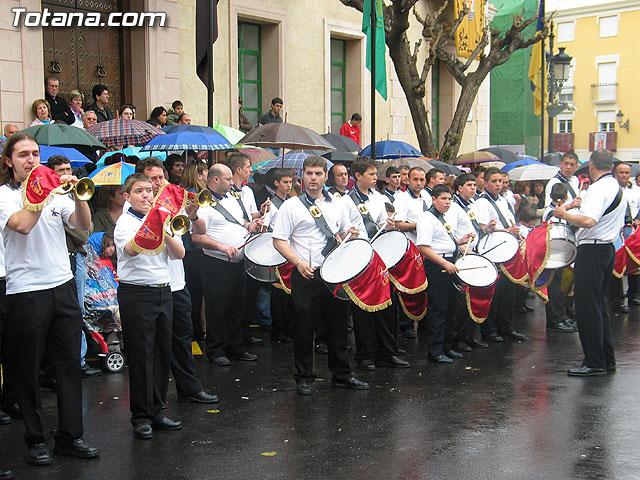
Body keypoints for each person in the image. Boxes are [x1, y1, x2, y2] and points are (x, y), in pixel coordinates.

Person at [0, 133, 98, 465]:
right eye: (23, 154)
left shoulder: (56, 192)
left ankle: (71, 437)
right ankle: (36, 439)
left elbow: (83, 227)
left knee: (69, 366)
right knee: (27, 369)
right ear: (9, 161)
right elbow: (22, 226)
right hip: (26, 289)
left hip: (63, 285)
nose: (30, 159)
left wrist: (79, 192)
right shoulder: (5, 196)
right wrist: (42, 191)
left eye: (35, 154)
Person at [272, 155, 369, 395]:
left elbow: (344, 231)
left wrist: (352, 233)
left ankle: (342, 374)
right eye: (309, 173)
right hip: (307, 274)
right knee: (305, 328)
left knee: (338, 327)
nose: (313, 178)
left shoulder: (338, 203)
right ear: (302, 176)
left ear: (326, 176)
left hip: (335, 273)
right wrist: (299, 262)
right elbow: (279, 241)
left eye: (318, 174)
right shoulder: (291, 206)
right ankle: (304, 376)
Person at [114, 172, 185, 439]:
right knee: (142, 355)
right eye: (139, 191)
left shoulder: (161, 219)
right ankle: (141, 416)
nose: (146, 195)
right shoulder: (125, 223)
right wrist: (154, 223)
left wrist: (165, 228)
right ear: (127, 197)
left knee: (161, 353)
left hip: (162, 291)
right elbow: (132, 250)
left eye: (149, 191)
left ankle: (157, 410)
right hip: (137, 293)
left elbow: (179, 254)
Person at [553, 149, 626, 376]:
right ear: (612, 167)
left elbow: (588, 220)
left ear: (591, 166)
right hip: (605, 249)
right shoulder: (616, 187)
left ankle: (594, 362)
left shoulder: (597, 188)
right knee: (599, 305)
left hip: (593, 249)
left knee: (587, 308)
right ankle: (605, 359)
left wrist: (565, 215)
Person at [191, 164, 261, 366]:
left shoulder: (233, 198)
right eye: (228, 179)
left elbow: (240, 223)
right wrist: (221, 247)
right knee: (217, 308)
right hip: (217, 262)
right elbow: (196, 236)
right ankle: (216, 350)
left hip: (238, 262)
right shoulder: (202, 204)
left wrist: (251, 226)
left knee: (237, 307)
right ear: (215, 180)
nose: (232, 183)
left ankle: (236, 348)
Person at [342, 157, 408, 370]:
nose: (375, 178)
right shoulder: (345, 201)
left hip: (381, 258)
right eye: (371, 174)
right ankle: (365, 355)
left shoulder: (378, 199)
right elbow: (342, 230)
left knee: (387, 308)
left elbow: (381, 226)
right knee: (363, 309)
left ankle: (387, 352)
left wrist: (388, 225)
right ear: (358, 176)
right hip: (360, 259)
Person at [416, 184, 475, 363]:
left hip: (449, 262)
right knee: (438, 309)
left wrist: (459, 242)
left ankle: (446, 346)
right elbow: (424, 247)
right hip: (438, 266)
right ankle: (435, 350)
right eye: (443, 198)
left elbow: (442, 242)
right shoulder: (427, 218)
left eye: (449, 199)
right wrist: (444, 263)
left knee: (451, 308)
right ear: (433, 200)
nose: (447, 202)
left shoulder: (443, 218)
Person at [473, 167, 526, 343]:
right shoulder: (481, 203)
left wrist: (516, 231)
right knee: (494, 293)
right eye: (494, 181)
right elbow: (482, 228)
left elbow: (510, 221)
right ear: (485, 183)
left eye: (500, 181)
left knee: (508, 292)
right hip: (493, 251)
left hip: (508, 250)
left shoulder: (503, 200)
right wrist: (507, 230)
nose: (498, 184)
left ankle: (506, 327)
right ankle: (490, 329)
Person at [541, 183, 577, 332]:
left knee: (561, 287)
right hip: (553, 253)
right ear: (567, 196)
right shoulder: (551, 212)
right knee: (554, 288)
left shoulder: (558, 211)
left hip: (562, 253)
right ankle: (554, 320)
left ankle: (561, 316)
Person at [265, 168, 295, 344]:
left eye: (290, 182)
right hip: (277, 251)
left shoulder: (293, 201)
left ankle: (291, 328)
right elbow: (266, 227)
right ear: (276, 184)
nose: (289, 185)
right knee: (279, 295)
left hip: (292, 250)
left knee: (292, 295)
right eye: (285, 182)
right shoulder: (272, 204)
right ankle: (278, 330)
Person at [180, 162, 208, 341]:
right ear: (198, 175)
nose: (207, 174)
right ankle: (195, 329)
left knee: (195, 292)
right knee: (195, 292)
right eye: (205, 171)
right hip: (192, 249)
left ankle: (196, 328)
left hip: (192, 249)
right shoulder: (193, 195)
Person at [394, 166, 430, 244]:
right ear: (408, 180)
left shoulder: (426, 196)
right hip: (412, 246)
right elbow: (398, 225)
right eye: (415, 179)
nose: (418, 183)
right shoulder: (402, 199)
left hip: (429, 243)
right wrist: (419, 225)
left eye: (421, 180)